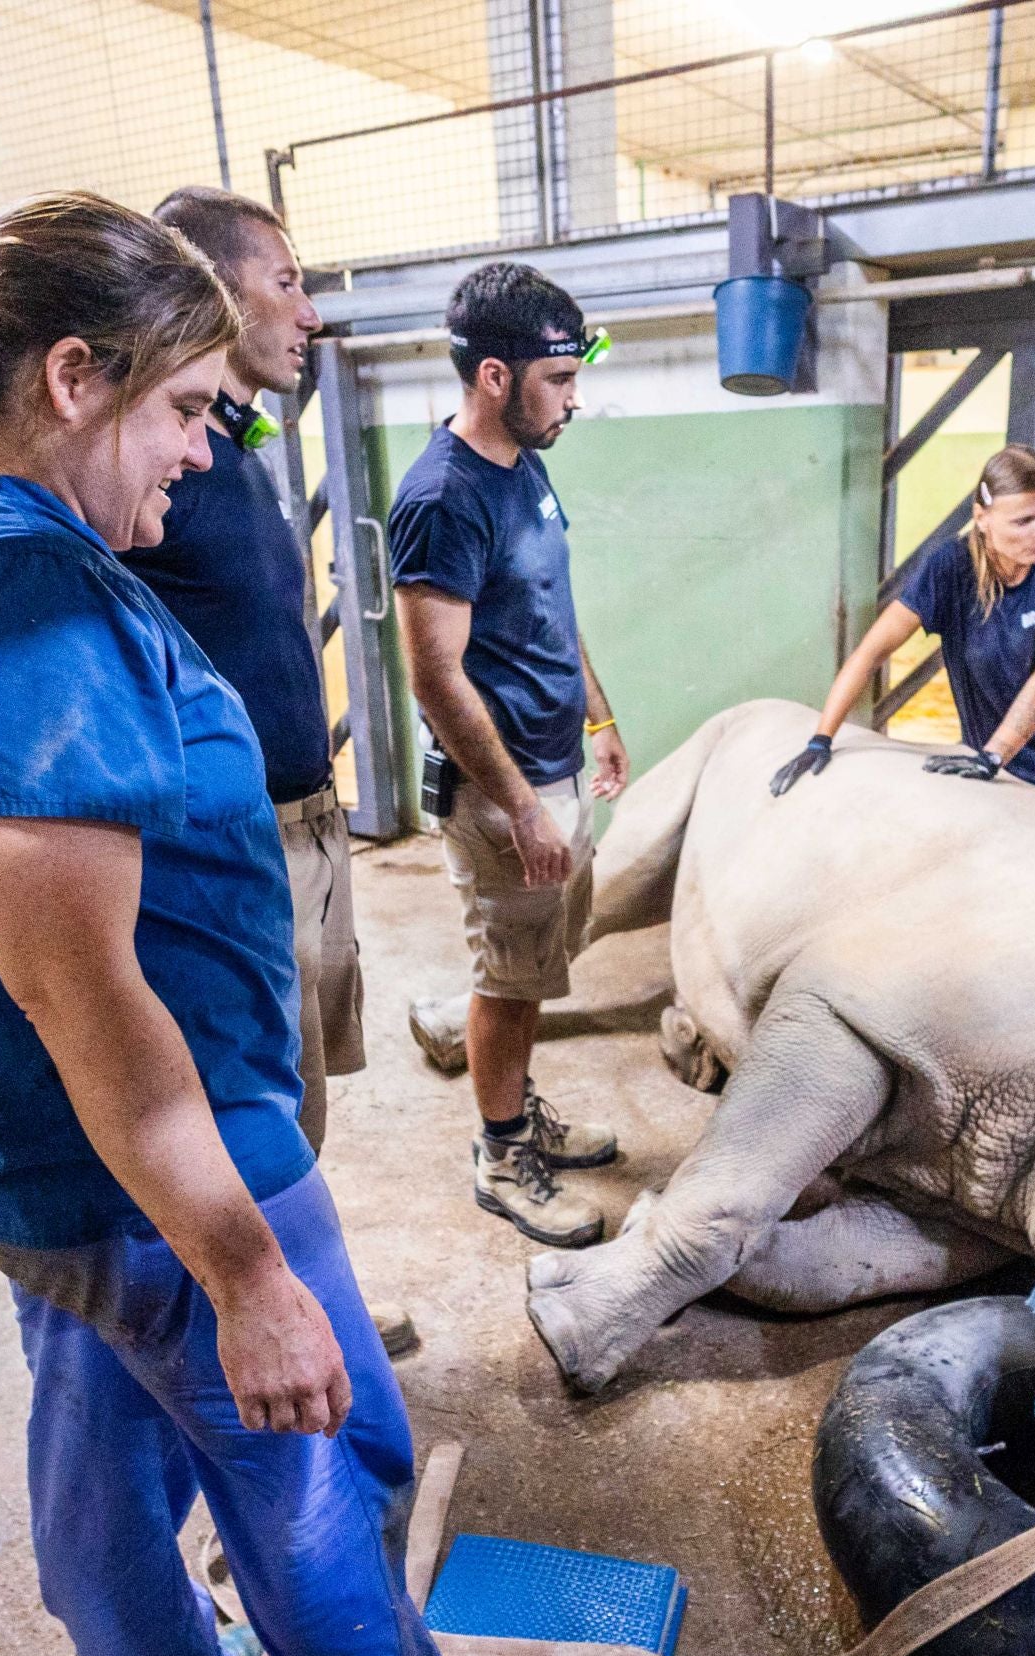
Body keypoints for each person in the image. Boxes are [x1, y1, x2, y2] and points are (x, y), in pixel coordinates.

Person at [0, 195, 569, 1656]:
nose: (200, 456)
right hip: (141, 1147)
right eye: (184, 411)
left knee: (96, 1431)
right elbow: (77, 992)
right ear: (78, 376)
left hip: (33, 1158)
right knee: (314, 1452)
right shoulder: (20, 601)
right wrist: (248, 1272)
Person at [121, 187, 410, 1355]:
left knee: (296, 1091)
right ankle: (249, 1324)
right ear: (209, 286)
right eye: (288, 281)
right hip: (226, 843)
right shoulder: (159, 469)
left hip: (305, 819)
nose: (310, 313)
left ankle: (302, 1294)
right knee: (240, 1096)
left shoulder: (234, 449)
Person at [388, 261, 626, 1251]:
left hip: (550, 767)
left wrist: (598, 721)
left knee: (536, 965)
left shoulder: (525, 463)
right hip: (499, 793)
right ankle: (498, 1153)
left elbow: (544, 611)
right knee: (508, 974)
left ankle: (518, 1109)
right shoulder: (441, 498)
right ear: (495, 376)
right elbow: (436, 677)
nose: (574, 399)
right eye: (559, 380)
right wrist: (522, 805)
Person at [769, 444, 1035, 812]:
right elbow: (872, 651)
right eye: (1024, 521)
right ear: (982, 517)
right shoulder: (950, 568)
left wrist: (993, 755)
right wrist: (822, 737)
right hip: (1009, 772)